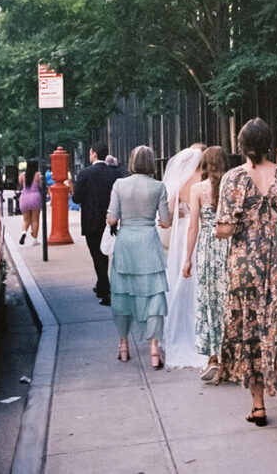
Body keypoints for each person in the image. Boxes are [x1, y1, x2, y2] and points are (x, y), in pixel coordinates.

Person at [215, 118, 277, 437]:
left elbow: (226, 228)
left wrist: (225, 227)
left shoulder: (233, 178)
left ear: (241, 146)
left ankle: (258, 407)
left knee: (250, 330)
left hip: (246, 264)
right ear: (270, 143)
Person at [106, 145, 172, 370]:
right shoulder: (158, 187)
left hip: (126, 243)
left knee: (123, 292)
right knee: (153, 294)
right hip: (148, 242)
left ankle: (123, 346)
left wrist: (115, 219)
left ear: (132, 162)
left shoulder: (119, 185)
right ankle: (154, 348)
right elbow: (165, 221)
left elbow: (112, 218)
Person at [182, 145, 231, 382]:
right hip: (230, 246)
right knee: (230, 301)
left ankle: (214, 357)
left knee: (210, 301)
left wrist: (187, 259)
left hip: (207, 249)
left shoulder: (197, 189)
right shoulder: (232, 187)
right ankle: (231, 356)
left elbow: (193, 227)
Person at [159, 144, 208, 369]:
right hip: (202, 231)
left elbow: (167, 216)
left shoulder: (181, 181)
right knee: (202, 283)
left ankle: (180, 328)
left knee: (182, 278)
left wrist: (177, 214)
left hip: (184, 233)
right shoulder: (205, 180)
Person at [71, 142, 121, 305]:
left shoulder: (85, 173)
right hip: (110, 219)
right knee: (105, 253)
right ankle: (101, 284)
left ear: (94, 154)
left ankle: (105, 289)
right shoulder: (114, 174)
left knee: (97, 255)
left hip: (91, 220)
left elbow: (76, 198)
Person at [17, 160, 43, 245]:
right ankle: (35, 240)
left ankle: (24, 232)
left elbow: (20, 186)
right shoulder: (38, 175)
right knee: (35, 220)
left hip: (24, 198)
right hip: (35, 197)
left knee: (26, 220)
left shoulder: (22, 175)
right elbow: (41, 186)